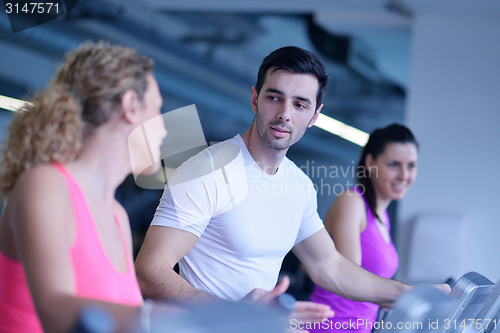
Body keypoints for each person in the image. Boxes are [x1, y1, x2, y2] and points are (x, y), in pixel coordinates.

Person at [134, 46, 450, 328]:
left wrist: (408, 294)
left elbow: (330, 266)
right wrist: (236, 311)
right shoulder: (210, 170)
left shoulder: (299, 185)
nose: (284, 114)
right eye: (275, 97)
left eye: (300, 104)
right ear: (255, 98)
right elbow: (149, 271)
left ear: (314, 115)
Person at [0, 42, 168, 333]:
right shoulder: (46, 184)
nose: (164, 128)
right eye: (158, 108)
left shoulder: (117, 217)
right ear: (130, 106)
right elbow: (56, 309)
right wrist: (181, 321)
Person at [308, 124, 418, 332]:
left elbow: (376, 293)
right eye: (394, 165)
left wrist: (423, 300)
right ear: (370, 163)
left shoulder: (382, 217)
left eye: (411, 166)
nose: (404, 175)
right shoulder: (352, 201)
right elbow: (351, 279)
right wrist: (410, 294)